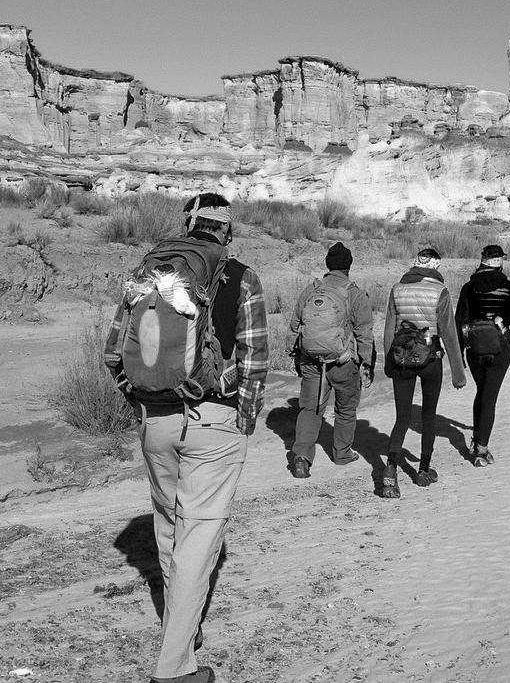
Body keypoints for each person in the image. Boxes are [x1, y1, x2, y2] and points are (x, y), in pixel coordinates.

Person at [105, 192, 267, 683]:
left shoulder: (146, 273)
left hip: (155, 420)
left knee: (168, 525)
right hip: (213, 420)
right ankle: (175, 667)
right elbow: (255, 359)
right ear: (226, 230)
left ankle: (182, 623)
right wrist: (245, 416)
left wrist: (144, 408)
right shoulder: (241, 277)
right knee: (201, 533)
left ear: (187, 223)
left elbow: (114, 352)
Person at [381, 246, 466, 497]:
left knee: (402, 418)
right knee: (429, 415)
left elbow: (388, 329)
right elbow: (449, 334)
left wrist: (388, 363)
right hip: (431, 358)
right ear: (436, 267)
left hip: (401, 358)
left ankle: (390, 470)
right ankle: (424, 471)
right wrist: (459, 374)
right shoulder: (440, 292)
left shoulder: (397, 289)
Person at [289, 242, 376, 478]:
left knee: (310, 408)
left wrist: (295, 355)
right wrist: (367, 363)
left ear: (327, 265)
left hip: (310, 360)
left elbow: (294, 325)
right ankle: (342, 454)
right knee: (346, 408)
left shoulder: (312, 289)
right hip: (343, 362)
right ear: (349, 266)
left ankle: (301, 458)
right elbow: (364, 333)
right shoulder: (355, 293)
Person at [455, 244, 510, 467]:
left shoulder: (469, 288)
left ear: (482, 261)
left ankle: (477, 439)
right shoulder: (509, 288)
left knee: (482, 392)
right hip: (500, 349)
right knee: (490, 396)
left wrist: (459, 354)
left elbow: (460, 322)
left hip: (474, 350)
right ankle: (481, 448)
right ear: (500, 262)